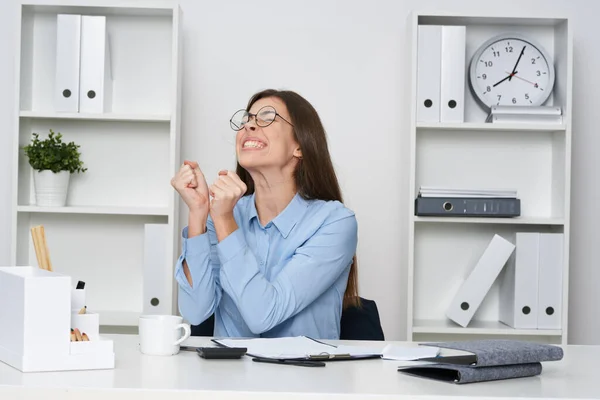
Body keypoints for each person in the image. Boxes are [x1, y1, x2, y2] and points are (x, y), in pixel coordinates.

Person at [170, 89, 359, 339]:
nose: (249, 125)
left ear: (300, 146)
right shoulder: (225, 210)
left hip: (302, 375)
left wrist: (225, 221)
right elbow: (196, 312)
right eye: (247, 119)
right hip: (228, 376)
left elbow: (263, 315)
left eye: (266, 117)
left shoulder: (335, 222)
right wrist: (198, 213)